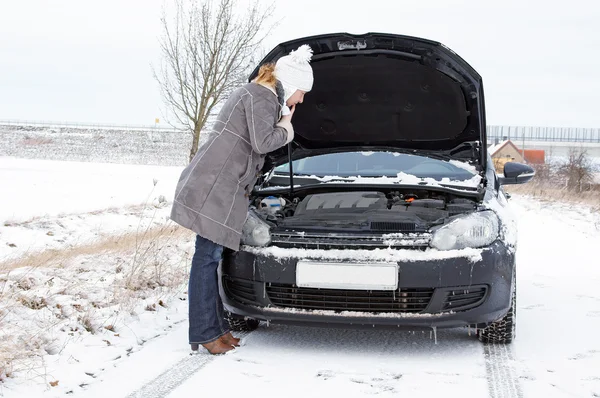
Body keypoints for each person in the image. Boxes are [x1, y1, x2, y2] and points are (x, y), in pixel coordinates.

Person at [169, 45, 314, 354]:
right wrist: (286, 128)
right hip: (214, 186)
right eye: (301, 92)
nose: (301, 99)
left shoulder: (259, 95)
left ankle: (217, 329)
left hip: (220, 186)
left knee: (210, 259)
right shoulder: (261, 96)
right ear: (290, 83)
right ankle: (207, 333)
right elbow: (264, 142)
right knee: (206, 259)